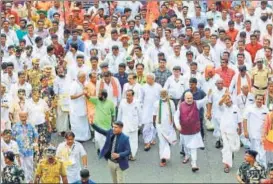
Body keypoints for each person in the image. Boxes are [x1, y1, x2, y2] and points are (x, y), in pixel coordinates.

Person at [175, 91, 208, 172]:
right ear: (185, 98)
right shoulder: (181, 105)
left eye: (191, 98)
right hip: (184, 131)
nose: (189, 99)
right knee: (186, 146)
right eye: (188, 98)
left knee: (193, 148)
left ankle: (194, 164)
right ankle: (187, 155)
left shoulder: (197, 103)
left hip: (194, 131)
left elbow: (205, 100)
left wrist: (210, 93)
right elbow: (176, 116)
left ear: (193, 98)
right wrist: (177, 125)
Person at [12, 111, 38, 183]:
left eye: (25, 117)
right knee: (21, 167)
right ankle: (23, 181)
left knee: (30, 166)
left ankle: (30, 181)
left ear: (27, 116)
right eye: (22, 117)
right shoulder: (15, 126)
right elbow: (12, 138)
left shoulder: (31, 125)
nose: (23, 118)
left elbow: (36, 136)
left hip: (29, 150)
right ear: (19, 117)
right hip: (19, 150)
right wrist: (15, 149)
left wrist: (35, 145)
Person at [243, 94, 269, 168]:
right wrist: (245, 131)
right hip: (253, 134)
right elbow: (244, 120)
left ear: (263, 100)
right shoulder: (249, 108)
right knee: (254, 151)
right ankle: (254, 166)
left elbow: (268, 121)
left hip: (263, 134)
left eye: (261, 99)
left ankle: (263, 167)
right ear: (255, 99)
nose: (259, 101)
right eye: (258, 99)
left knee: (263, 151)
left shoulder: (265, 109)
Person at [218, 93, 241, 173]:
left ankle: (230, 157)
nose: (228, 101)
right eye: (226, 100)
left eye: (229, 99)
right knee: (226, 148)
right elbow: (219, 103)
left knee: (234, 148)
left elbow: (239, 119)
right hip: (224, 132)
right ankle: (226, 165)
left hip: (234, 131)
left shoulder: (236, 108)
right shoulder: (222, 107)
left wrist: (240, 128)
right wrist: (224, 97)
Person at [153, 89, 176, 167]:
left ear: (167, 94)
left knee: (167, 141)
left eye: (164, 94)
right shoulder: (156, 103)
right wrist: (154, 124)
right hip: (159, 125)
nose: (163, 95)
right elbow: (154, 114)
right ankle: (163, 158)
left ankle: (165, 155)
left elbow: (173, 114)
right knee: (162, 142)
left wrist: (174, 125)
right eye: (161, 94)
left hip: (169, 125)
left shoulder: (171, 103)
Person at [117, 89, 141, 161]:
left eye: (129, 95)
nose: (128, 97)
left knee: (133, 141)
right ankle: (124, 155)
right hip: (124, 125)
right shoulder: (122, 102)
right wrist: (118, 124)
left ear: (133, 96)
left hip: (134, 125)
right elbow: (119, 113)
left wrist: (140, 124)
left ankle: (132, 155)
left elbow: (140, 113)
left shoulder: (137, 102)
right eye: (127, 95)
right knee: (124, 140)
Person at [140, 73, 162, 151]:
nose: (148, 80)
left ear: (153, 79)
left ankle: (152, 138)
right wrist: (142, 107)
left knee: (154, 125)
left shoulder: (158, 86)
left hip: (156, 109)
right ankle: (147, 141)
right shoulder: (143, 87)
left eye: (149, 78)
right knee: (146, 125)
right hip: (146, 109)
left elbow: (161, 98)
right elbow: (141, 98)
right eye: (147, 78)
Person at [69, 71, 91, 142]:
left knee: (84, 123)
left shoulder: (85, 83)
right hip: (75, 107)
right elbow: (71, 96)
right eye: (83, 77)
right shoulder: (74, 84)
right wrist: (82, 94)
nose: (85, 78)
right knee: (77, 123)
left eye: (85, 77)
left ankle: (85, 137)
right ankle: (77, 138)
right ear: (79, 78)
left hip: (83, 106)